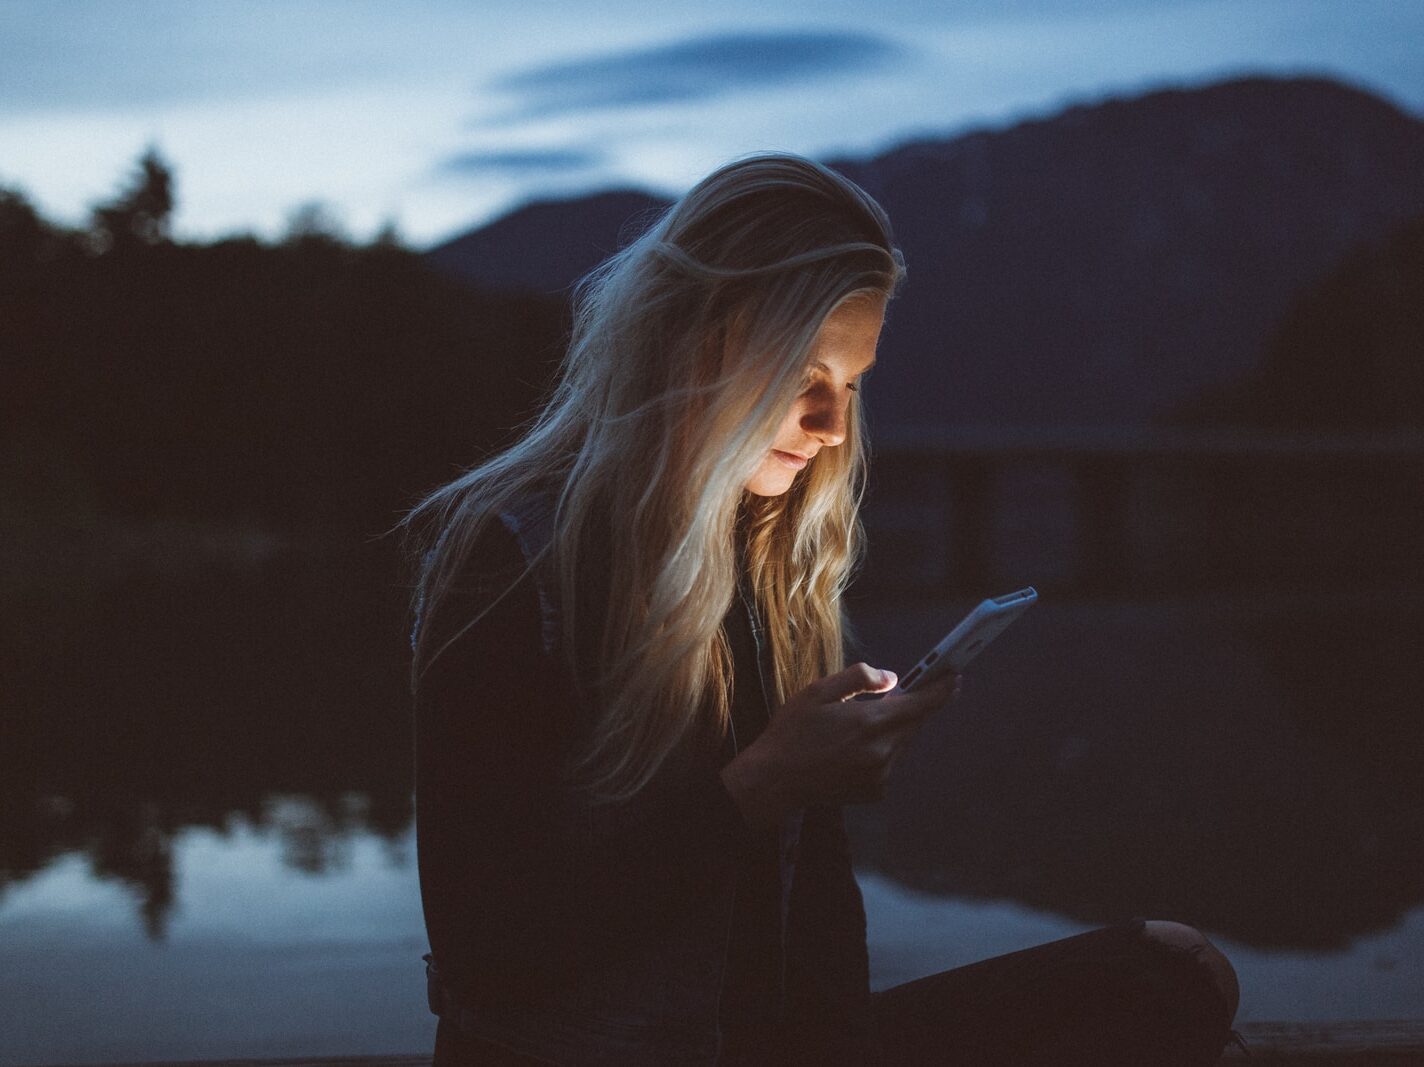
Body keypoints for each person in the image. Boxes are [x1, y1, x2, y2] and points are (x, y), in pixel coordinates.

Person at [400, 154, 1241, 1065]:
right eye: (805, 371)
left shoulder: (764, 557)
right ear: (695, 337)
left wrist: (815, 781)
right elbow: (490, 961)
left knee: (1175, 969)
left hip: (776, 1041)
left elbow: (818, 923)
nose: (833, 425)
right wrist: (765, 786)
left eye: (852, 382)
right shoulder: (514, 559)